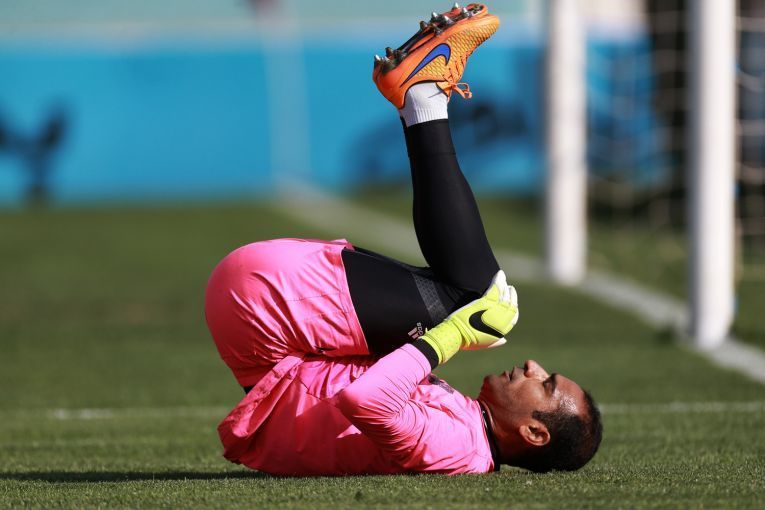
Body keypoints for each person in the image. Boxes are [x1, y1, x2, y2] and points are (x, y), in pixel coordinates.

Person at [204, 3, 602, 476]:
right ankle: (421, 100)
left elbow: (365, 400)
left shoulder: (458, 449)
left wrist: (454, 334)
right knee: (478, 310)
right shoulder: (468, 433)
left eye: (547, 384)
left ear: (535, 433)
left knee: (479, 302)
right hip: (273, 316)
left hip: (269, 311)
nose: (535, 365)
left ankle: (424, 98)